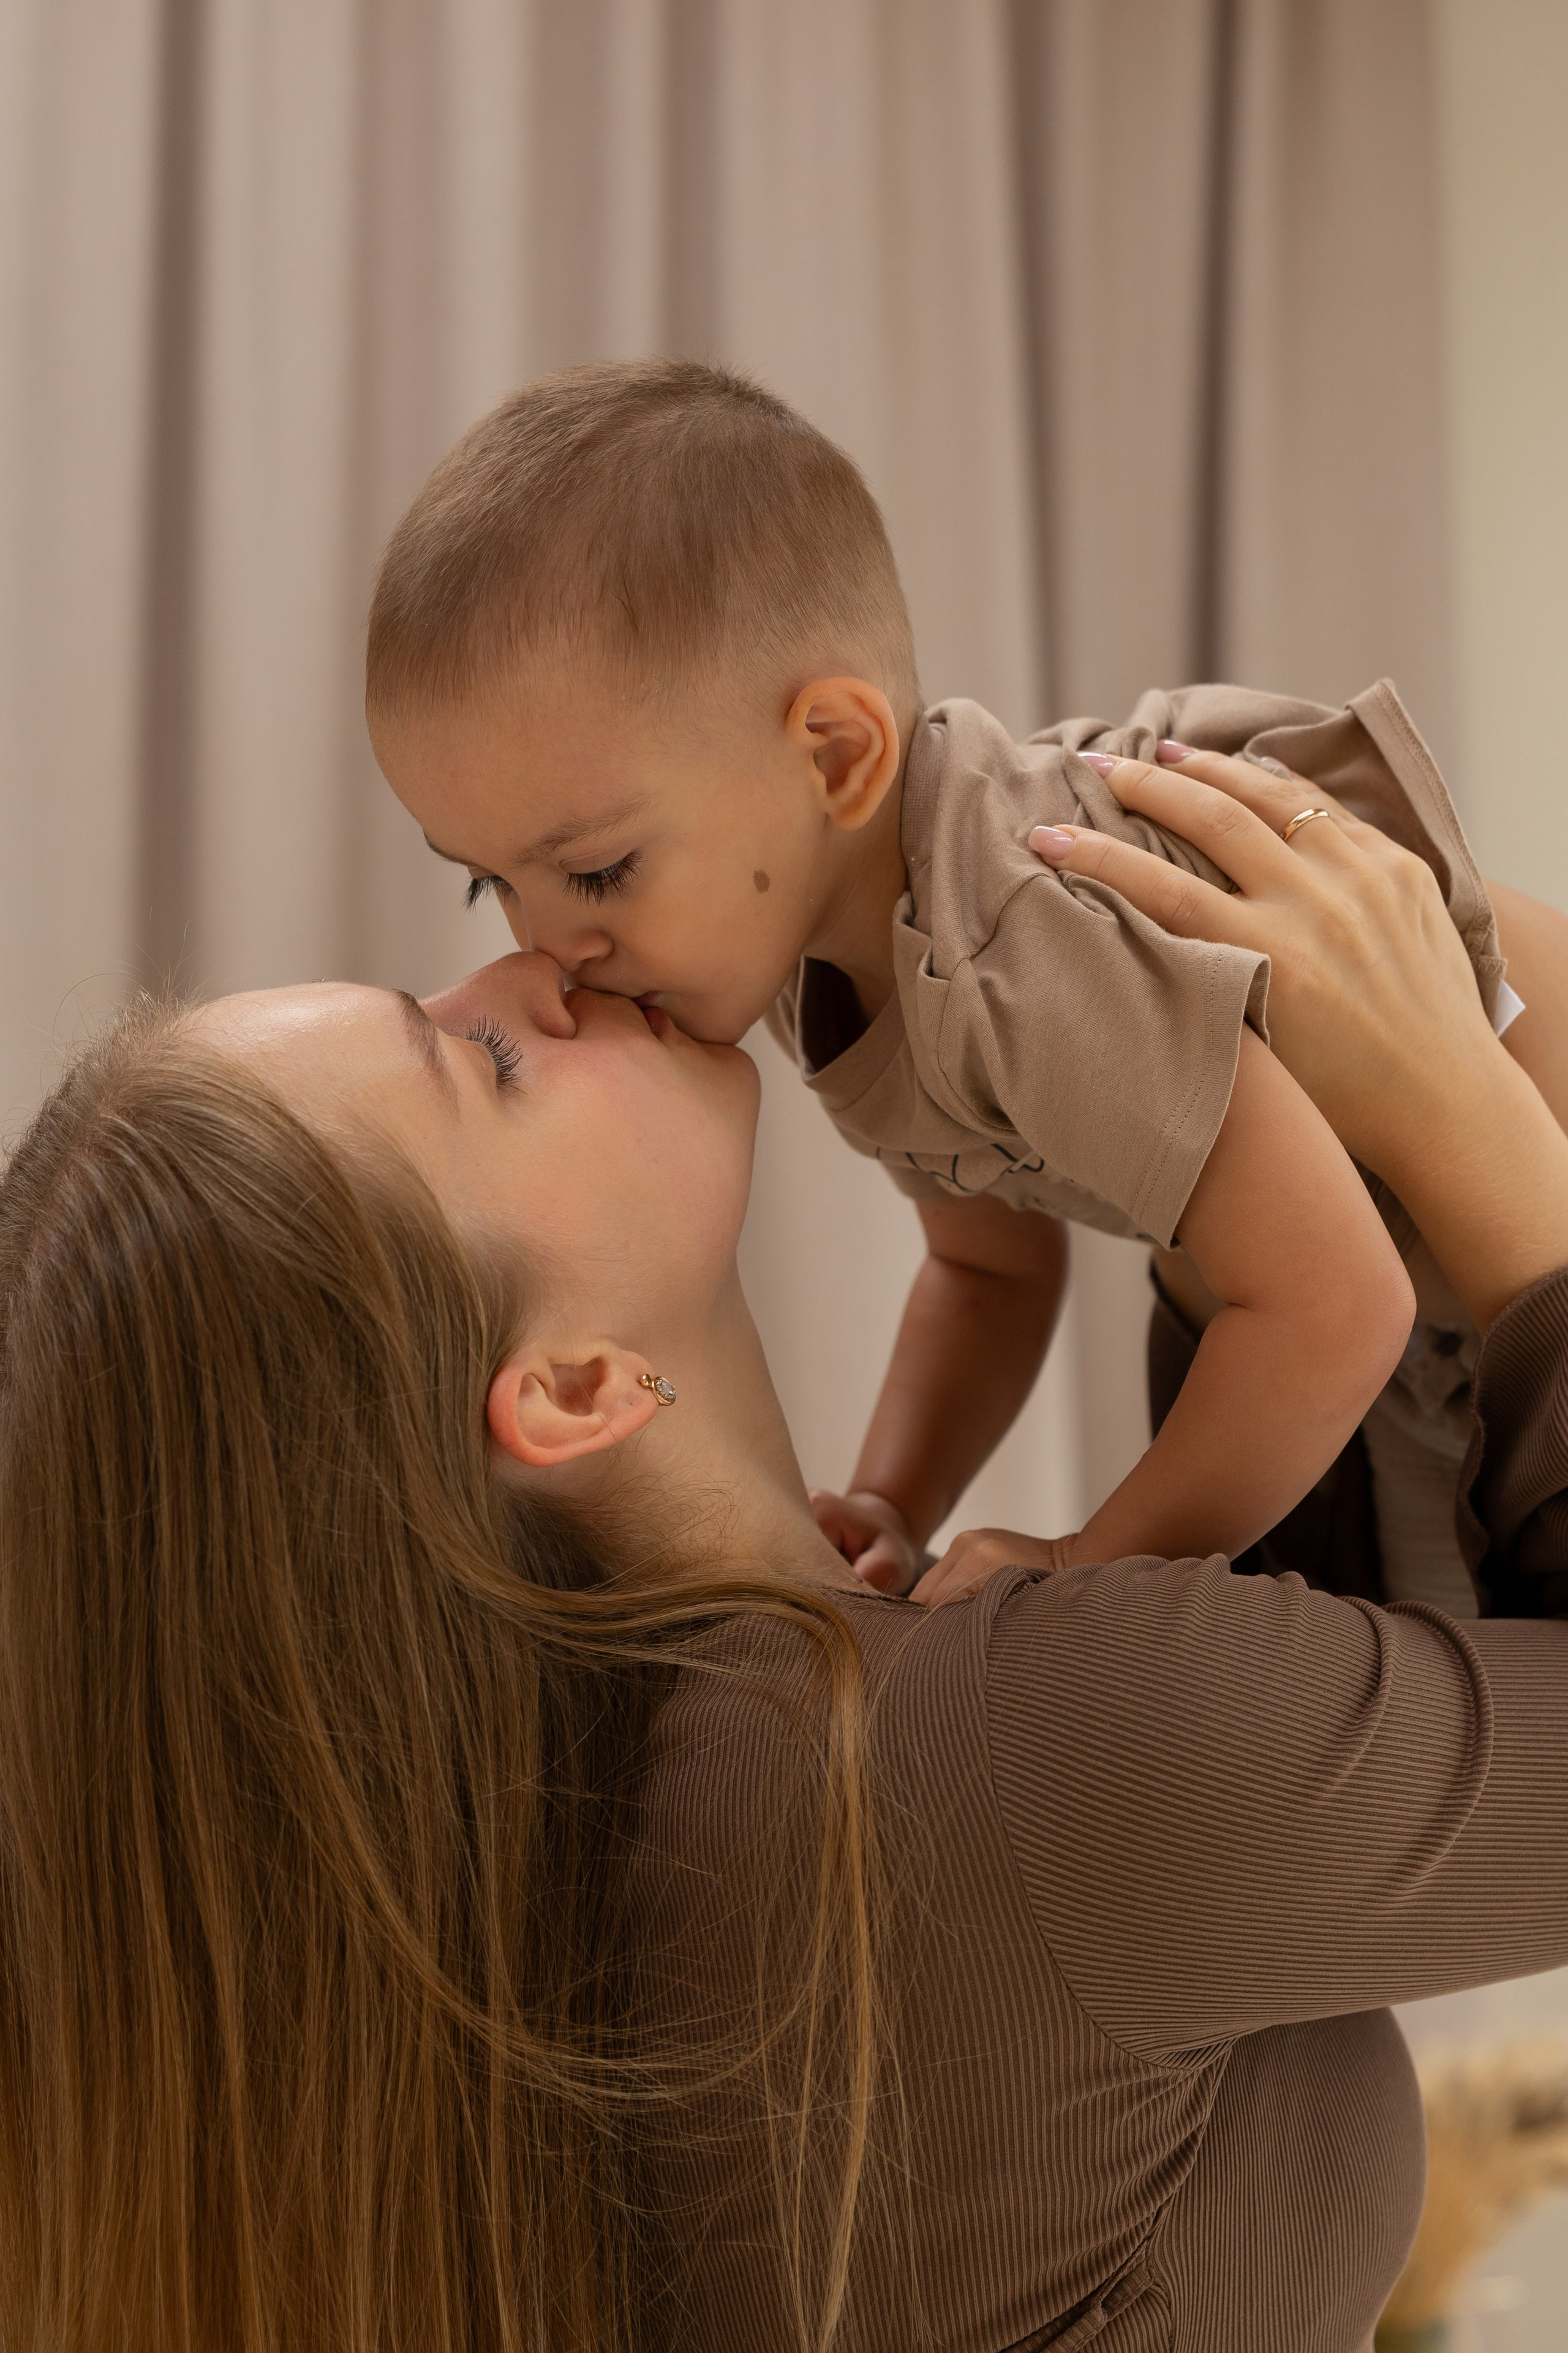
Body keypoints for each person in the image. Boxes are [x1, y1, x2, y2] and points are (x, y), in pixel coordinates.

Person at [8, 752, 1568, 2352]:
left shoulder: (607, 1856)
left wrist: (1243, 1183)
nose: (541, 966)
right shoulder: (981, 1757)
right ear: (563, 1390)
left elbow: (1350, 1718)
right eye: (473, 1057)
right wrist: (1469, 1110)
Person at [361, 355, 1568, 1615]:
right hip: (1432, 1318)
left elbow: (1331, 1301)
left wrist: (1090, 1560)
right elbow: (986, 1271)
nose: (545, 947)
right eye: (485, 882)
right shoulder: (805, 959)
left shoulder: (1010, 934)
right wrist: (891, 1499)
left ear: (833, 755)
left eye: (598, 871)